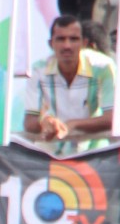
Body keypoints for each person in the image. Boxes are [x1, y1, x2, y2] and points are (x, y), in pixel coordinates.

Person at [23, 14, 115, 153]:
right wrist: (45, 123)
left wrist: (73, 125)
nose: (67, 45)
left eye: (73, 39)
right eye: (61, 39)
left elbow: (112, 119)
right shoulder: (38, 70)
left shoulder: (103, 67)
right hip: (53, 152)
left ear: (84, 43)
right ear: (51, 44)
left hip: (94, 153)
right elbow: (29, 122)